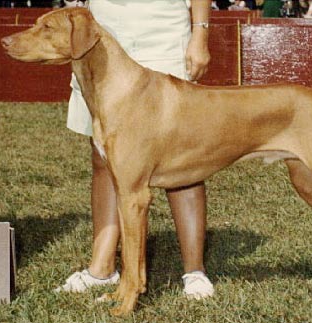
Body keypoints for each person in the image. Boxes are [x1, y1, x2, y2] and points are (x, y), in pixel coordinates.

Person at [55, 0, 214, 300]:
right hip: (103, 25)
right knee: (104, 157)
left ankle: (194, 272)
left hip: (163, 28)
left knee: (181, 158)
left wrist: (200, 33)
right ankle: (102, 268)